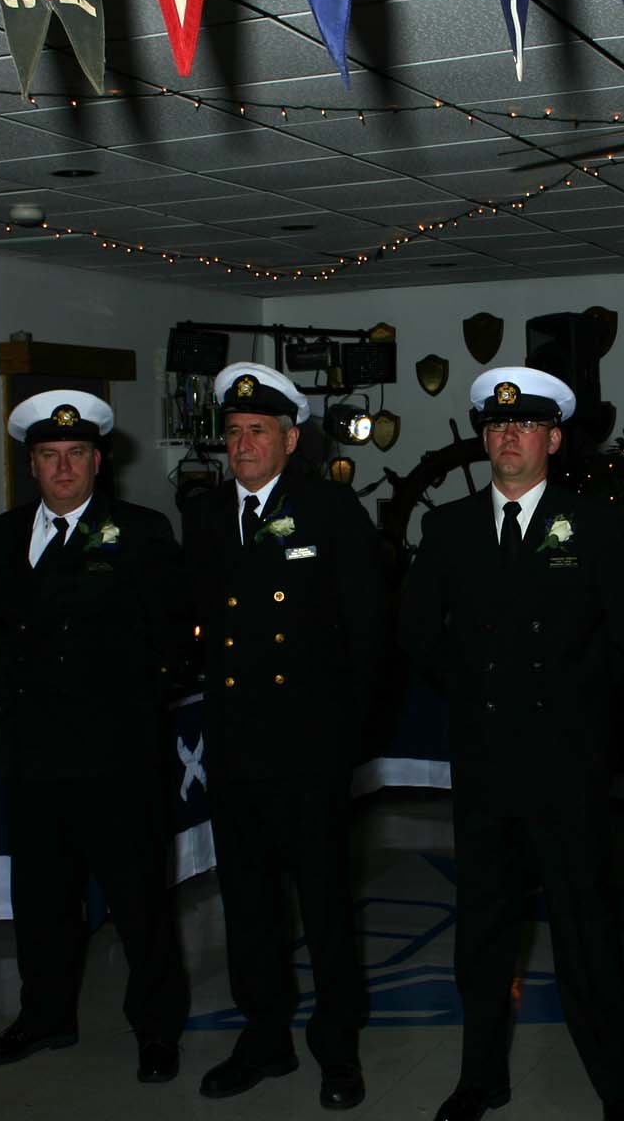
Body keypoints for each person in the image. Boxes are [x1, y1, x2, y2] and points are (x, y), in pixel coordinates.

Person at [400, 367, 624, 1121]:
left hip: (568, 764)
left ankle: (615, 1085)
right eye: (495, 426)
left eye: (523, 426)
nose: (507, 437)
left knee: (586, 932)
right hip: (485, 762)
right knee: (484, 932)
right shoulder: (449, 528)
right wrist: (473, 689)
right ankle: (480, 1078)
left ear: (553, 439)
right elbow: (416, 634)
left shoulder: (594, 524)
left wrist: (587, 705)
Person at [183, 363, 384, 1111]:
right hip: (235, 742)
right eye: (234, 432)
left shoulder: (330, 511)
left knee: (325, 903)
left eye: (258, 431)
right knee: (248, 901)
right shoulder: (204, 514)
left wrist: (347, 739)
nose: (242, 445)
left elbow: (368, 633)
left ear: (290, 440)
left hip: (309, 745)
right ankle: (263, 1037)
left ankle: (338, 1046)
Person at [0, 390, 191, 1084]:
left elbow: (173, 641)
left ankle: (156, 1029)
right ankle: (44, 1016)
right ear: (31, 465)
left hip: (115, 752)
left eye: (75, 454)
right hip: (35, 752)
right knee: (41, 899)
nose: (63, 468)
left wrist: (133, 710)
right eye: (48, 455)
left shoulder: (140, 530)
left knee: (138, 902)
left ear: (98, 461)